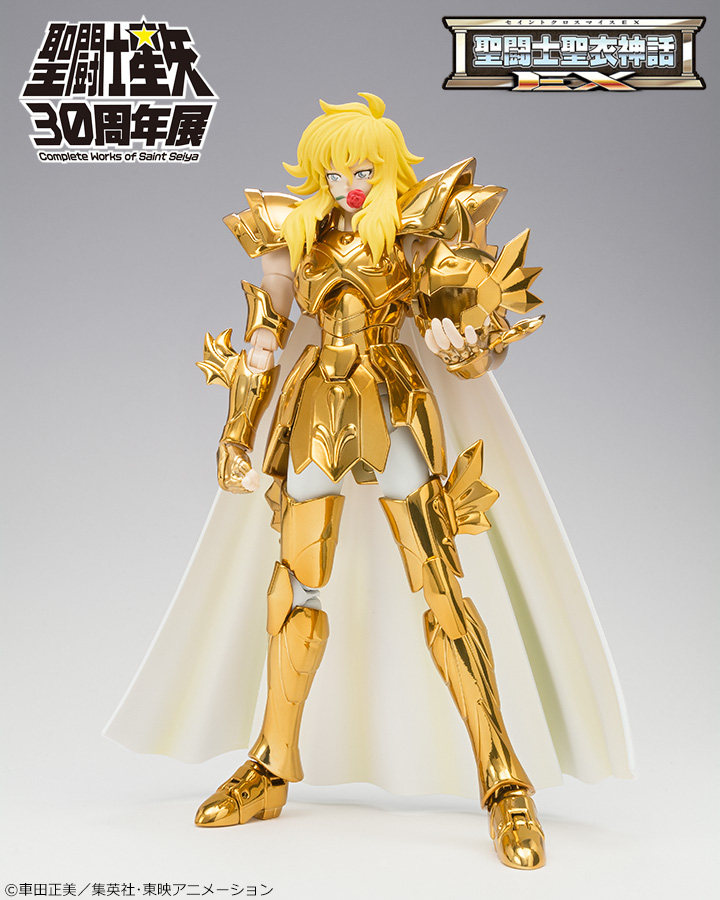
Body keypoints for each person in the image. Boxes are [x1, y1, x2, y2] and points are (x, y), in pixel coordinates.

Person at [105, 93, 633, 871]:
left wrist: (472, 352)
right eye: (334, 172)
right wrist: (236, 428)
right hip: (314, 408)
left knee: (442, 589)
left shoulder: (417, 234)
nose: (349, 186)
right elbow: (265, 338)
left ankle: (502, 779)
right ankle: (271, 764)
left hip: (394, 403)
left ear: (387, 170)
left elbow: (476, 335)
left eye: (362, 171)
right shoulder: (294, 236)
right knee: (292, 590)